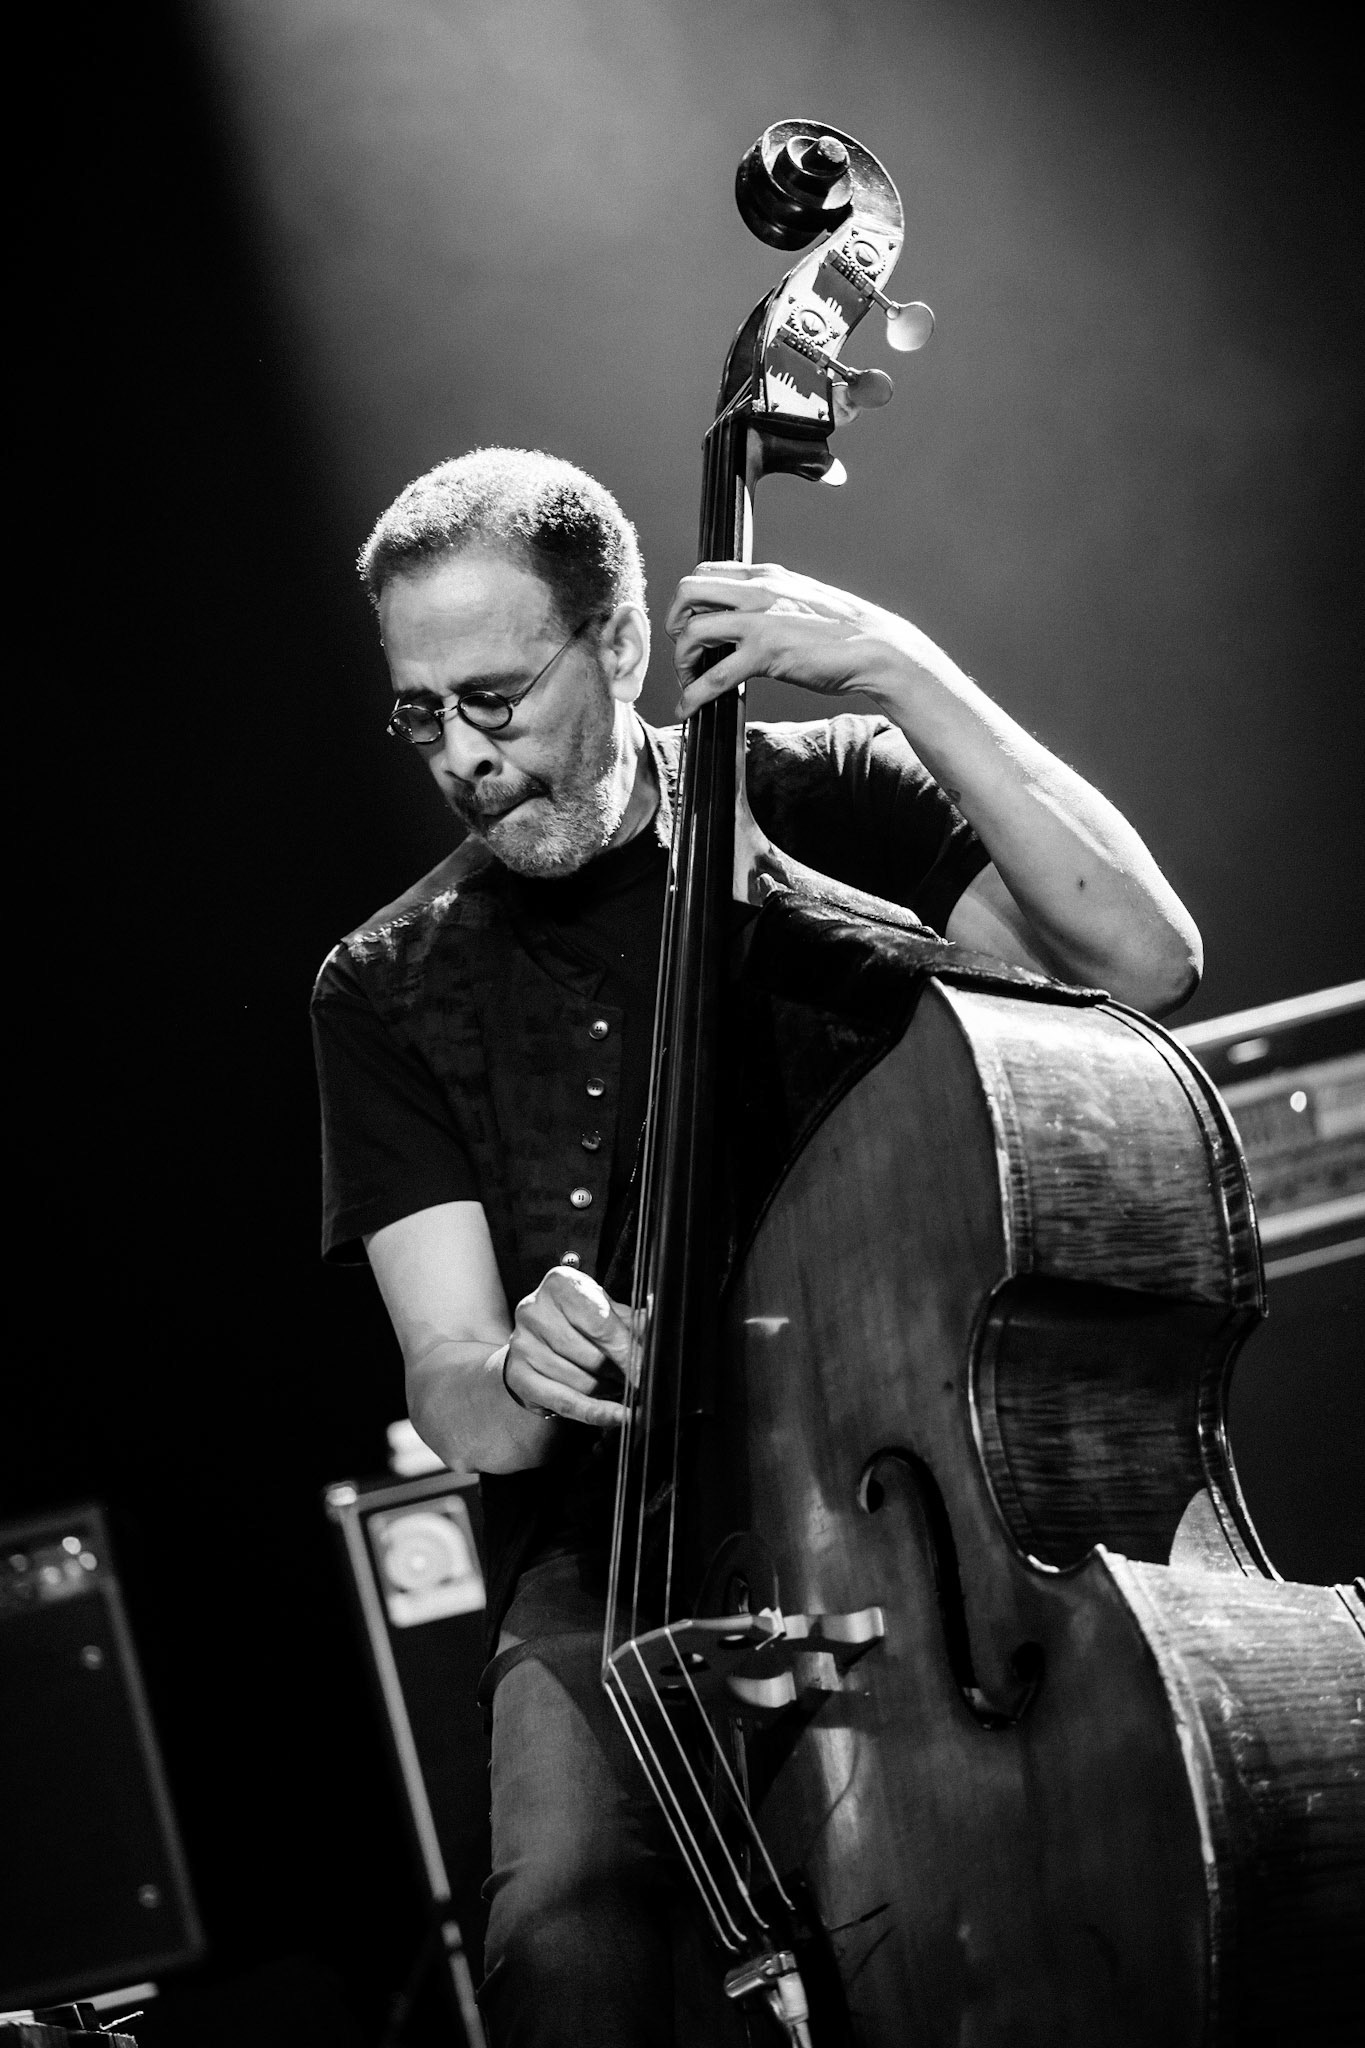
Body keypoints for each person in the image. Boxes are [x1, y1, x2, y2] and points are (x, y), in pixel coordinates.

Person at [311, 446, 1201, 2045]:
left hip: (929, 1498)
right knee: (560, 1946)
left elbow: (1140, 962)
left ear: (619, 645)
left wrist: (902, 671)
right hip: (614, 1557)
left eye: (495, 701)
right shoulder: (386, 983)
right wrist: (517, 1374)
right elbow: (446, 1376)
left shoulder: (828, 795)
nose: (461, 757)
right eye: (418, 713)